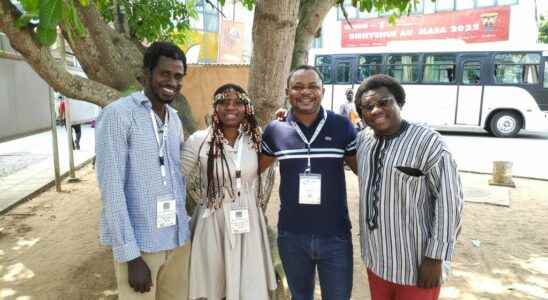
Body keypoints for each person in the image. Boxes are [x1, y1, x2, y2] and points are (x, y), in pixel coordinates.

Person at [354, 74, 464, 300]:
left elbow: (449, 202)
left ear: (399, 103)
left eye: (383, 102)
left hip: (415, 263)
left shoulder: (428, 142)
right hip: (376, 259)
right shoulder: (363, 140)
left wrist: (435, 258)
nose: (375, 110)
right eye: (367, 107)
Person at [95, 41, 191, 300]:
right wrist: (130, 255)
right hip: (142, 246)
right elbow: (111, 188)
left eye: (178, 76)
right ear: (146, 74)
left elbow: (175, 176)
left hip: (177, 240)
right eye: (164, 73)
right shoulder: (118, 115)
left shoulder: (174, 118)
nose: (172, 81)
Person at [260, 65, 357, 300]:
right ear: (287, 91)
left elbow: (362, 169)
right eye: (298, 86)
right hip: (292, 236)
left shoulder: (342, 126)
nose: (306, 92)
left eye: (313, 86)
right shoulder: (275, 130)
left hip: (335, 236)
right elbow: (253, 169)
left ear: (322, 91)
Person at [181, 84, 277, 300]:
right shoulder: (199, 140)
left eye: (237, 102)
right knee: (212, 284)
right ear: (215, 107)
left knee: (248, 286)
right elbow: (176, 174)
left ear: (246, 108)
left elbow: (282, 145)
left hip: (248, 219)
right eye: (224, 102)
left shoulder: (257, 139)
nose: (230, 107)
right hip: (213, 219)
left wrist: (283, 121)